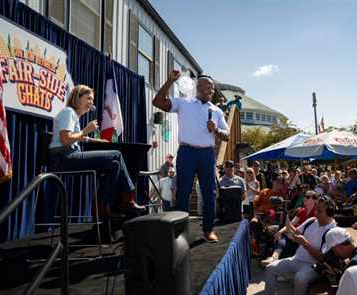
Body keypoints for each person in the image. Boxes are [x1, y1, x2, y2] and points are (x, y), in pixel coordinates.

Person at [153, 71, 229, 242]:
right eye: (207, 87)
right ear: (198, 87)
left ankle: (208, 230)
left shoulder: (216, 111)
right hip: (187, 152)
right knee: (183, 193)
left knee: (209, 193)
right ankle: (180, 232)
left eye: (212, 88)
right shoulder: (183, 103)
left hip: (206, 154)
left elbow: (227, 135)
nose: (211, 90)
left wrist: (216, 129)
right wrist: (169, 81)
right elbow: (157, 102)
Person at [48, 84, 144, 215]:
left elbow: (80, 138)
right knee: (116, 155)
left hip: (69, 156)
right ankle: (128, 198)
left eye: (92, 100)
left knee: (114, 164)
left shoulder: (74, 116)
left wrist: (98, 140)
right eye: (88, 99)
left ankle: (102, 206)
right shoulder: (68, 112)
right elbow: (66, 139)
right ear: (77, 98)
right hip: (63, 158)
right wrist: (86, 130)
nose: (91, 103)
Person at [251, 196, 336, 295]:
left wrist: (305, 244)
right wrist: (288, 224)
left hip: (313, 266)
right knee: (270, 268)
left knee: (300, 279)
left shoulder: (332, 231)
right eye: (316, 209)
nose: (316, 213)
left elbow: (322, 258)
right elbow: (296, 234)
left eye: (320, 211)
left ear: (330, 213)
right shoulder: (312, 221)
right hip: (296, 259)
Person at [261, 190, 319, 267]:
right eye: (305, 196)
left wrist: (289, 228)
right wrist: (280, 232)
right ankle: (273, 257)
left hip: (303, 240)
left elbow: (302, 232)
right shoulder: (302, 211)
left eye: (308, 197)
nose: (304, 198)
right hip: (293, 235)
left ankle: (274, 259)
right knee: (281, 237)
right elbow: (291, 223)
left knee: (286, 238)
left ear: (315, 200)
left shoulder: (316, 214)